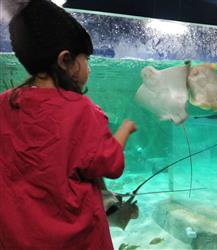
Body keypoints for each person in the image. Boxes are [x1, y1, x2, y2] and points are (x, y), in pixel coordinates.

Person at [0, 0, 136, 249]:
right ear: (65, 60)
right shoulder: (83, 111)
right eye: (86, 59)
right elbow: (110, 165)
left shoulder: (3, 105)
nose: (89, 68)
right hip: (77, 240)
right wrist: (125, 130)